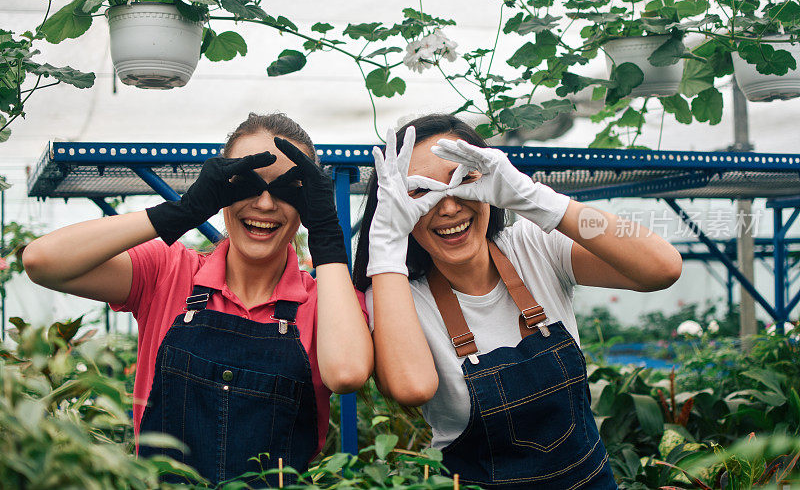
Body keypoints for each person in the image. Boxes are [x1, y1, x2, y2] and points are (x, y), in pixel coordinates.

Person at [23, 113, 373, 486]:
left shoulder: (325, 303)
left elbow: (348, 374)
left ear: (309, 202)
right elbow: (42, 261)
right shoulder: (168, 272)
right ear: (220, 189)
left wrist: (326, 234)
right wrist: (181, 211)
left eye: (290, 189)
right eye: (247, 183)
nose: (266, 204)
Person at [353, 114, 682, 489]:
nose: (448, 207)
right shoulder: (397, 295)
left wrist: (538, 200)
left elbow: (662, 267)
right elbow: (411, 388)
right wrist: (385, 246)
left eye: (463, 179)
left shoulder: (533, 245)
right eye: (419, 192)